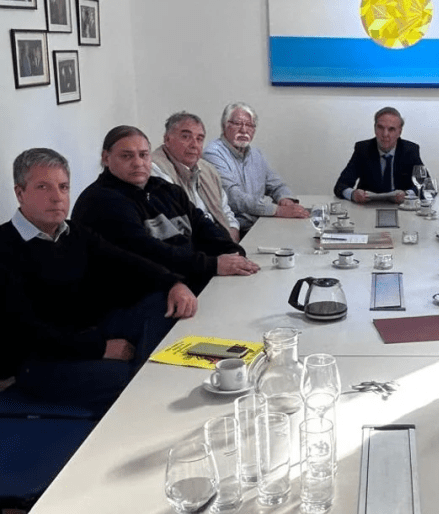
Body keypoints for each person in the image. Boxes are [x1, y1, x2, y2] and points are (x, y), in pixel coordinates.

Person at [0, 148, 197, 410]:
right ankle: (145, 386)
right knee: (129, 379)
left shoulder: (73, 232)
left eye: (63, 187)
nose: (57, 197)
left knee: (164, 303)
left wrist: (174, 283)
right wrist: (100, 348)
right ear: (20, 193)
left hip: (90, 331)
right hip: (41, 360)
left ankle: (147, 378)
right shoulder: (5, 247)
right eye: (43, 187)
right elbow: (27, 333)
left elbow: (128, 261)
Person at [72, 126, 259, 295]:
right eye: (127, 156)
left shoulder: (166, 190)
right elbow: (149, 253)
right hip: (139, 296)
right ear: (106, 158)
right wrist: (213, 265)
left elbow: (203, 226)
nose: (138, 163)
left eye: (143, 155)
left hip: (189, 282)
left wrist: (233, 253)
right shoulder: (101, 201)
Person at [203, 102, 308, 233]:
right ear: (224, 126)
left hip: (259, 224)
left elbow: (276, 184)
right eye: (237, 124)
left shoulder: (256, 154)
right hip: (234, 229)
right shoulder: (213, 153)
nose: (244, 130)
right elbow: (234, 197)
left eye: (249, 125)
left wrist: (285, 199)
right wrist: (277, 210)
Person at [151, 112, 241, 242]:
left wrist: (233, 234)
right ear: (167, 139)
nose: (194, 145)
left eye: (199, 139)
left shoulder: (208, 169)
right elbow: (175, 226)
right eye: (186, 137)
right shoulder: (155, 169)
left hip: (221, 242)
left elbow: (225, 212)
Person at [333, 107, 424, 204]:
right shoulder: (363, 149)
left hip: (401, 208)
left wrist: (407, 195)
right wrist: (353, 194)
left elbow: (426, 186)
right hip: (367, 207)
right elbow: (340, 185)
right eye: (380, 127)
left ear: (399, 132)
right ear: (375, 128)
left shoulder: (410, 150)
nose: (385, 134)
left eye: (391, 129)